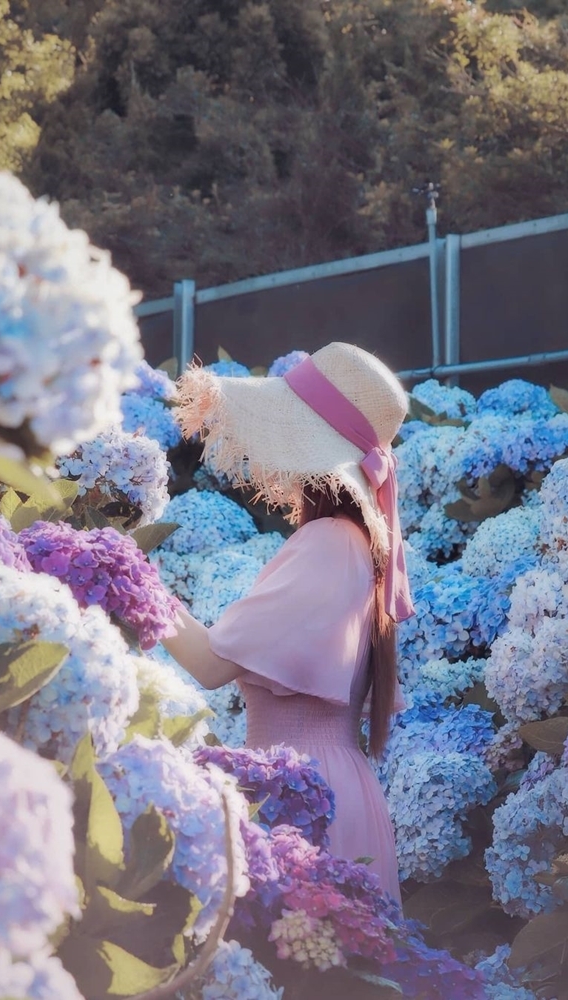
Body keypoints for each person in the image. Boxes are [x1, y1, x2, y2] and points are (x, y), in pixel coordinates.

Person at [161, 342, 415, 902]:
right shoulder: (358, 544)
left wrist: (128, 578)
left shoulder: (328, 541)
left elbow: (209, 665)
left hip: (299, 794)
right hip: (333, 785)